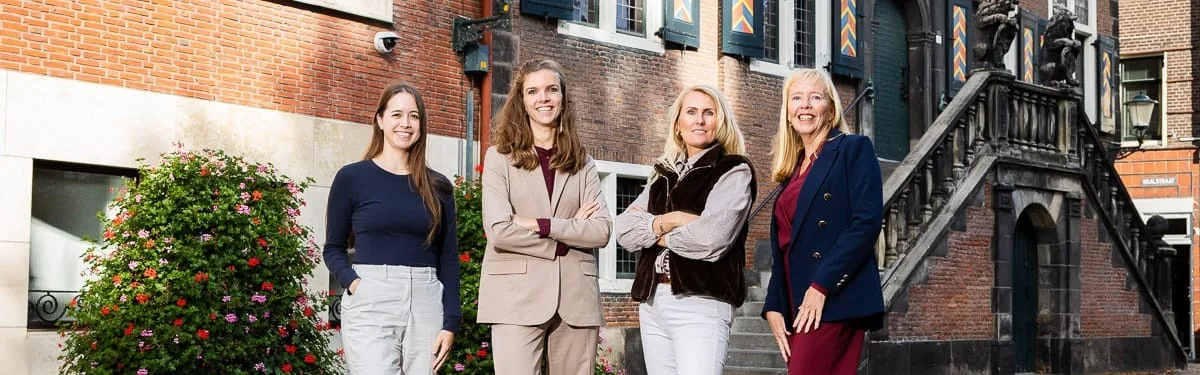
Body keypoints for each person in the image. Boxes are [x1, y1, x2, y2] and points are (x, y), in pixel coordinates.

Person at [477, 58, 613, 375]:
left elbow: (601, 231)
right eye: (533, 91)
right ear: (522, 101)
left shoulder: (583, 162)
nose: (544, 98)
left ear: (563, 97)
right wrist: (566, 237)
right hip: (515, 297)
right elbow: (499, 231)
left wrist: (541, 225)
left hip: (576, 299)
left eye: (552, 90)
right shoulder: (499, 158)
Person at [614, 85, 756, 375]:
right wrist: (673, 219)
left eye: (708, 113)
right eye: (691, 112)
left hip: (701, 302)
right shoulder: (664, 174)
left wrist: (653, 232)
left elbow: (710, 239)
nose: (699, 120)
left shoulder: (734, 170)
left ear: (721, 121)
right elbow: (623, 231)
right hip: (653, 302)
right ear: (678, 124)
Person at [322, 84, 460, 375]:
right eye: (397, 114)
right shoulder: (352, 178)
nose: (405, 123)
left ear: (421, 125)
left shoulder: (439, 186)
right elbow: (333, 248)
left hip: (426, 299)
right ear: (380, 120)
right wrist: (354, 283)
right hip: (371, 295)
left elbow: (448, 258)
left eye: (414, 116)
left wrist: (451, 322)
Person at [760, 69, 885, 374]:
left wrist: (821, 286)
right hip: (796, 300)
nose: (805, 105)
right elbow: (785, 246)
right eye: (796, 98)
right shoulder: (792, 170)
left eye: (815, 97)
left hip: (833, 297)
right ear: (787, 111)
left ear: (830, 109)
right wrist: (773, 304)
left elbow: (866, 222)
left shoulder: (853, 148)